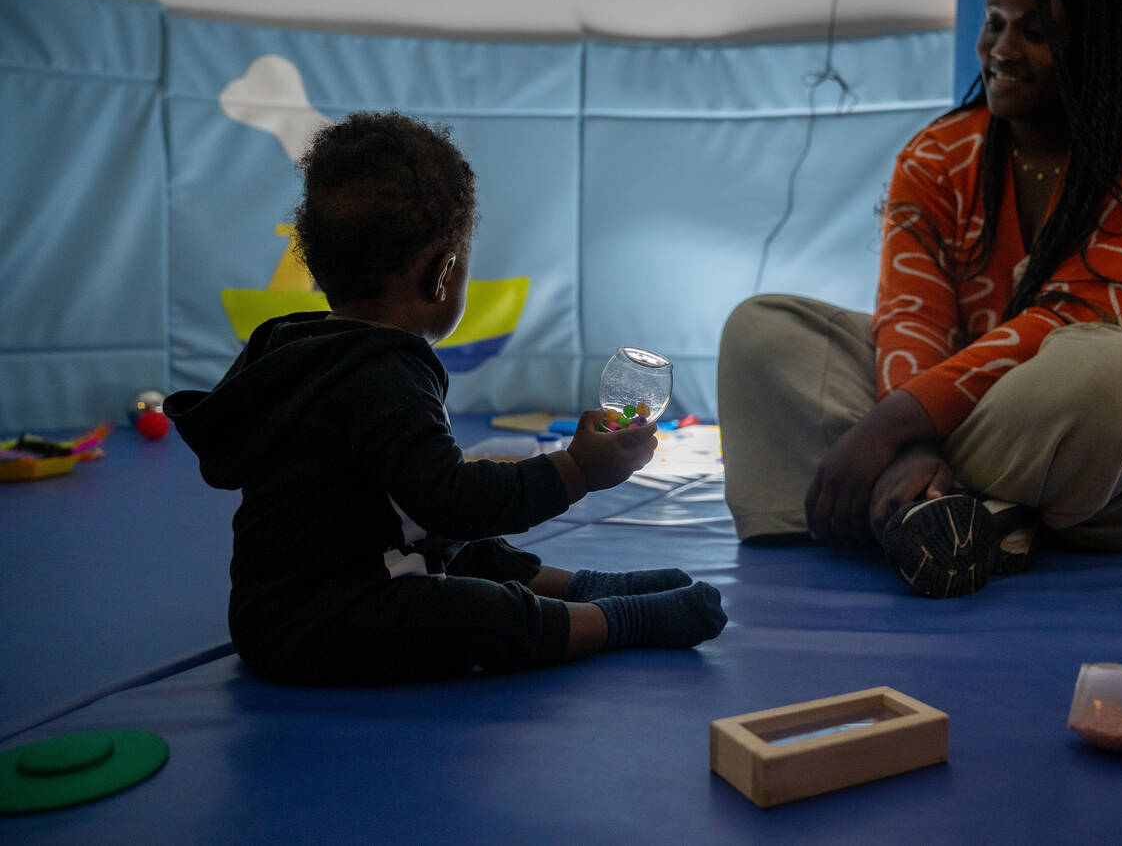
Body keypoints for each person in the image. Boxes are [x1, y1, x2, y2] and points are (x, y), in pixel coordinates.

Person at [717, 0, 1122, 598]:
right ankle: (956, 502)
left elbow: (1068, 321)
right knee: (762, 332)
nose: (1002, 47)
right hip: (974, 419)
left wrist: (887, 429)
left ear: (1094, 45)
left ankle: (906, 500)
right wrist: (909, 440)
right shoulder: (936, 156)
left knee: (1106, 373)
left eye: (1035, 31)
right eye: (994, 22)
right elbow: (912, 315)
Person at [167, 112, 726, 684]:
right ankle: (615, 621)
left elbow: (432, 510)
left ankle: (581, 588)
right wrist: (578, 469)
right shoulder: (381, 371)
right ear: (444, 274)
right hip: (311, 624)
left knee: (460, 543)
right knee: (472, 605)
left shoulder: (308, 347)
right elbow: (451, 499)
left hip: (325, 582)